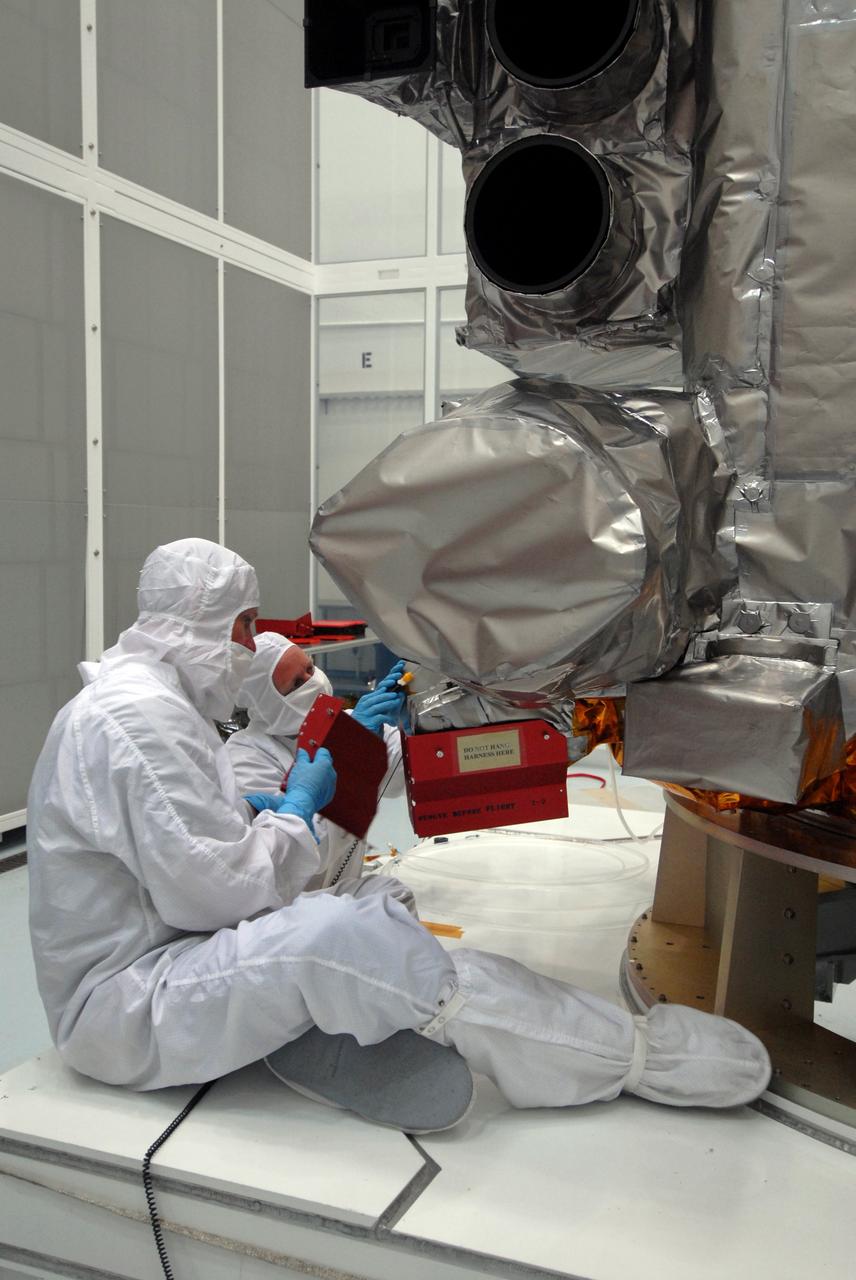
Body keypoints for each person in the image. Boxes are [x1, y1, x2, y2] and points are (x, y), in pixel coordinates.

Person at [28, 537, 771, 1126]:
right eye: (246, 626)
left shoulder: (154, 708)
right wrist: (292, 812)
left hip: (174, 956)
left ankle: (316, 1027)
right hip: (129, 1007)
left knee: (378, 908)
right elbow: (222, 896)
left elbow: (199, 860)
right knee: (340, 936)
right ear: (203, 622)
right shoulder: (139, 719)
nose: (251, 643)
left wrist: (264, 814)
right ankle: (616, 1056)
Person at [227, 631, 407, 895]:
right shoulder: (247, 757)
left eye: (310, 668)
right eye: (297, 683)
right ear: (266, 703)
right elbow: (304, 852)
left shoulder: (349, 723)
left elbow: (405, 775)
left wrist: (419, 722)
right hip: (288, 906)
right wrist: (351, 751)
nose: (314, 682)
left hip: (342, 891)